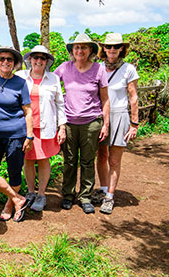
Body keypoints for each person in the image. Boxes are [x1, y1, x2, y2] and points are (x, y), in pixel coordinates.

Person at [54, 33, 110, 214]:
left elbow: (105, 99)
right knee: (69, 161)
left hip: (91, 121)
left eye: (84, 47)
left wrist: (105, 124)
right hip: (69, 122)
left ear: (91, 50)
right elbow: (50, 86)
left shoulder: (99, 69)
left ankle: (85, 196)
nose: (80, 50)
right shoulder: (64, 68)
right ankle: (68, 195)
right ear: (72, 51)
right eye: (77, 47)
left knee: (87, 161)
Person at [0, 46, 33, 222]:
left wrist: (29, 136)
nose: (5, 62)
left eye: (9, 60)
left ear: (14, 63)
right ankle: (18, 198)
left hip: (16, 134)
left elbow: (28, 111)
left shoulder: (20, 83)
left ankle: (10, 205)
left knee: (14, 171)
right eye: (2, 59)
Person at [16, 45, 67, 212]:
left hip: (46, 126)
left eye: (42, 58)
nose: (38, 61)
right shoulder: (20, 77)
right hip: (25, 127)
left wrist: (62, 127)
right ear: (29, 59)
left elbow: (60, 104)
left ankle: (41, 194)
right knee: (28, 160)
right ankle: (30, 191)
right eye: (35, 57)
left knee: (44, 160)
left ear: (47, 62)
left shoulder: (53, 79)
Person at [94, 33, 139, 214]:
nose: (112, 50)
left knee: (114, 159)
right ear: (103, 48)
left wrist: (134, 124)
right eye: (108, 46)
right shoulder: (98, 68)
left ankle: (110, 196)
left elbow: (133, 96)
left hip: (120, 114)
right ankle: (104, 189)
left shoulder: (128, 69)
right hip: (100, 115)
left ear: (122, 48)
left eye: (116, 47)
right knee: (102, 156)